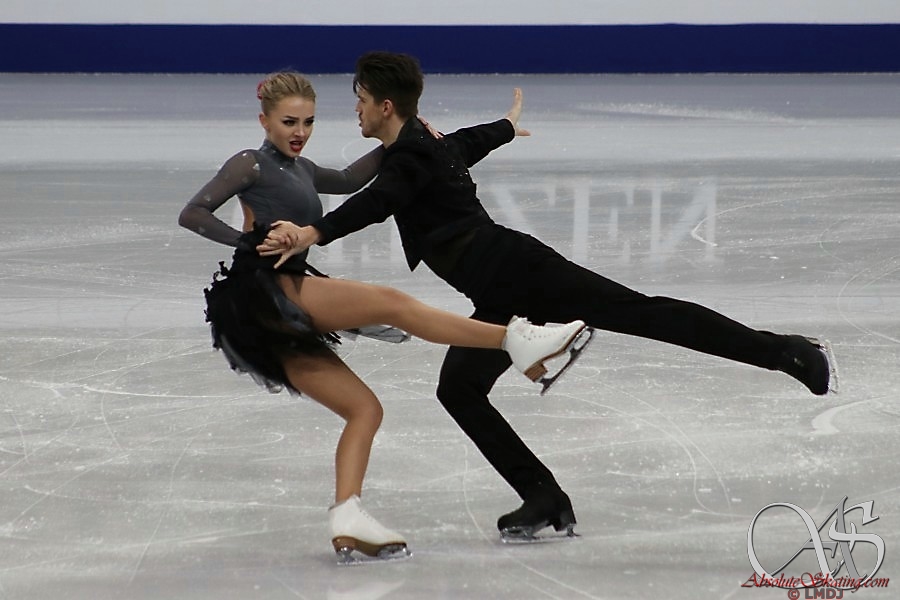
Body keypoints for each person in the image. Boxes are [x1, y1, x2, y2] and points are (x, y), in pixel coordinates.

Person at [258, 52, 838, 542]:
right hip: (501, 285)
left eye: (360, 99)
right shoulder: (424, 142)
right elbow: (467, 143)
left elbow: (378, 200)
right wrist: (506, 127)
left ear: (386, 106)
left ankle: (786, 351)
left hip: (521, 273)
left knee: (646, 314)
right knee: (459, 388)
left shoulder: (408, 155)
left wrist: (314, 233)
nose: (355, 109)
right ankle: (543, 497)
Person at [177, 70, 590, 562]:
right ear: (264, 120)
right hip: (262, 289)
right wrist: (250, 240)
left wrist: (412, 130)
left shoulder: (304, 169)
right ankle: (516, 340)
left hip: (279, 304)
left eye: (308, 122)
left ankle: (347, 516)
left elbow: (354, 179)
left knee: (365, 410)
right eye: (289, 122)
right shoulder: (249, 163)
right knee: (392, 303)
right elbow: (194, 213)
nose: (300, 132)